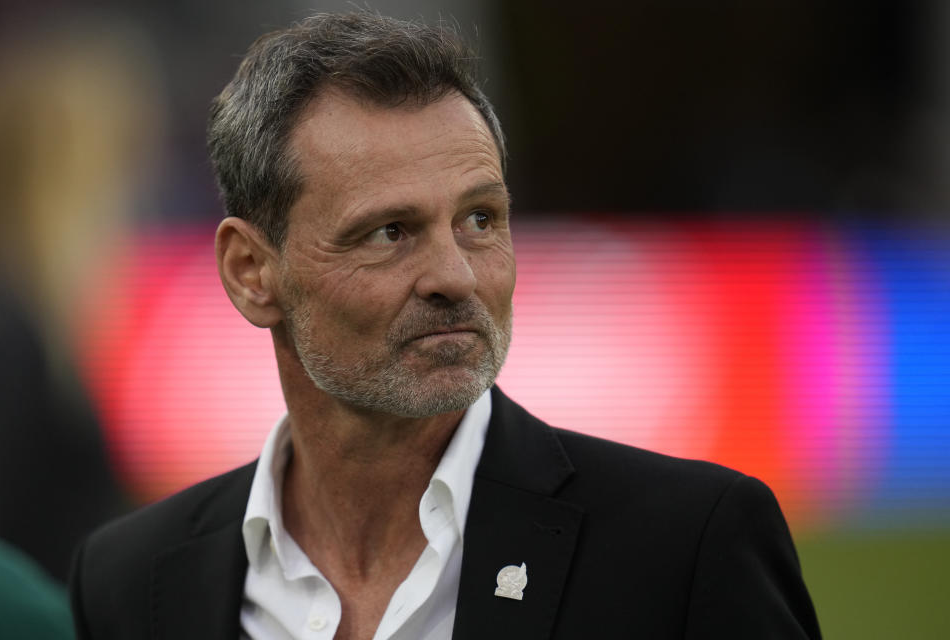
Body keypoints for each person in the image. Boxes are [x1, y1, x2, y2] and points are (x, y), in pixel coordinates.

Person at [70, 12, 821, 639]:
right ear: (250, 271)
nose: (456, 276)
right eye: (389, 232)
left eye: (479, 219)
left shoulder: (687, 546)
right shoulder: (129, 582)